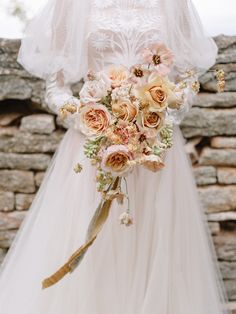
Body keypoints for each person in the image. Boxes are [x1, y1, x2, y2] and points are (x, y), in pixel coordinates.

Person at [0, 1, 231, 313]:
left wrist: (157, 118)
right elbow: (55, 89)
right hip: (94, 148)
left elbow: (188, 78)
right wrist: (94, 118)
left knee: (156, 246)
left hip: (156, 152)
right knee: (94, 249)